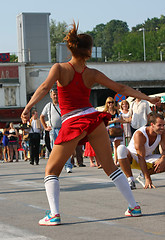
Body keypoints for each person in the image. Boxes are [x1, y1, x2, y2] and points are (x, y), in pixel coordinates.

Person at [21, 22, 160, 226]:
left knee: (51, 170)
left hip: (73, 122)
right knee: (110, 166)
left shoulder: (59, 68)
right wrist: (147, 98)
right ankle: (134, 206)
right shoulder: (92, 73)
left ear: (71, 47)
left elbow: (43, 88)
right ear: (88, 51)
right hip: (93, 119)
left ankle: (54, 214)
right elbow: (120, 87)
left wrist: (27, 107)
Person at [117, 113, 165, 190]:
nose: (162, 127)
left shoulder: (162, 133)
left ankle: (142, 176)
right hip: (132, 158)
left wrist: (162, 159)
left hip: (146, 158)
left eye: (163, 125)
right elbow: (140, 157)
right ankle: (130, 180)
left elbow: (164, 150)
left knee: (164, 160)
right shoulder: (140, 134)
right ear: (152, 125)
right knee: (120, 149)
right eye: (159, 125)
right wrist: (148, 178)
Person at [40, 88, 73, 173]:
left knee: (66, 148)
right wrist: (45, 127)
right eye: (54, 94)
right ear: (51, 95)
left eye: (57, 94)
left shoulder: (63, 104)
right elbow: (42, 117)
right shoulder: (48, 106)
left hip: (63, 129)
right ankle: (55, 166)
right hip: (53, 130)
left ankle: (68, 166)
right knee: (54, 149)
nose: (55, 96)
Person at [104, 97, 123, 165]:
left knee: (116, 146)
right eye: (109, 102)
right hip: (109, 130)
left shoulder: (117, 111)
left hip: (117, 129)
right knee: (108, 146)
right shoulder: (105, 112)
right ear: (107, 104)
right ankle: (108, 160)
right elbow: (105, 122)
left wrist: (120, 120)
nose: (110, 104)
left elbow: (121, 120)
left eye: (112, 102)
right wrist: (113, 121)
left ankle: (116, 161)